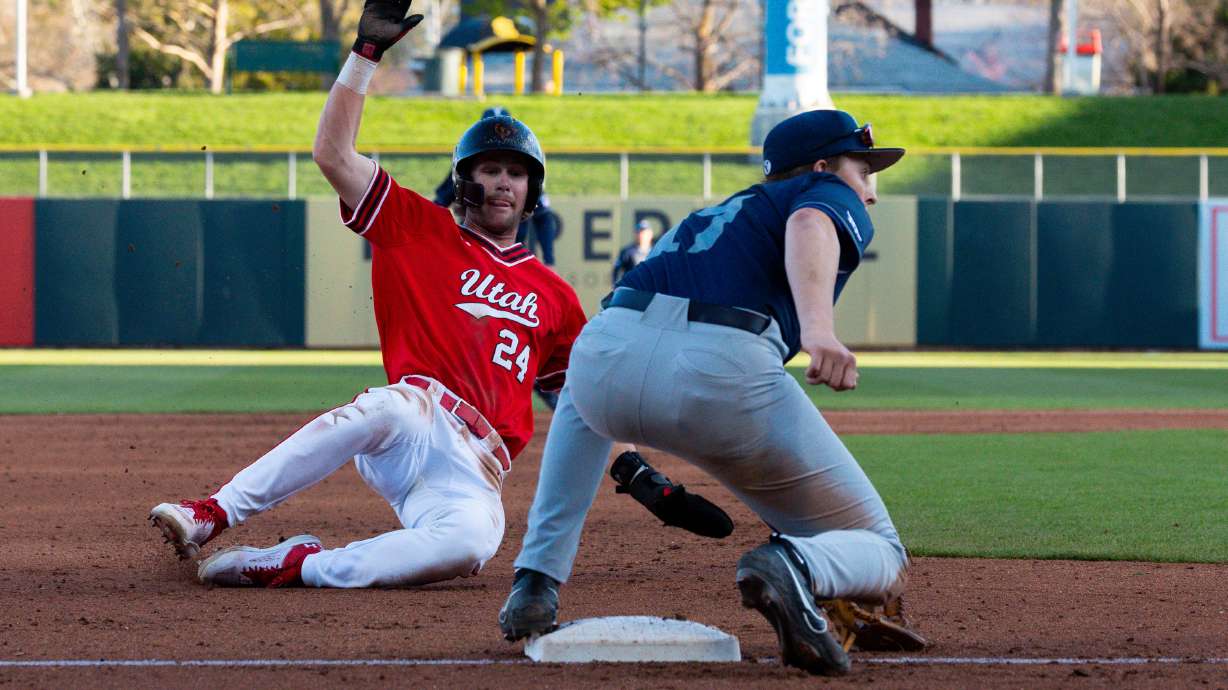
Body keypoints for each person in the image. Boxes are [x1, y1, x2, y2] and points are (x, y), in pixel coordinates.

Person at [148, 0, 586, 590]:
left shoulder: (556, 295)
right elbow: (332, 154)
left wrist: (637, 471)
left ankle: (296, 565)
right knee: (388, 405)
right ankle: (213, 513)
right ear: (464, 180)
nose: (502, 180)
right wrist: (366, 56)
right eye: (489, 168)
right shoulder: (418, 227)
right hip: (417, 418)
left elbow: (583, 402)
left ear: (533, 188)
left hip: (478, 469)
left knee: (472, 543)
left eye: (516, 170)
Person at [497, 110, 927, 676]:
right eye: (863, 168)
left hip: (607, 353)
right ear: (822, 166)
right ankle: (796, 565)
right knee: (883, 550)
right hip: (721, 373)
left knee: (581, 390)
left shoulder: (723, 212)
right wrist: (819, 329)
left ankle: (536, 579)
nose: (869, 189)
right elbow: (809, 225)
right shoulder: (824, 189)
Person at [611, 219, 654, 285]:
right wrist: (616, 286)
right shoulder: (627, 252)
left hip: (650, 291)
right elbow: (616, 270)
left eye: (644, 232)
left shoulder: (655, 252)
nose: (641, 235)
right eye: (639, 232)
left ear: (650, 234)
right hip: (631, 290)